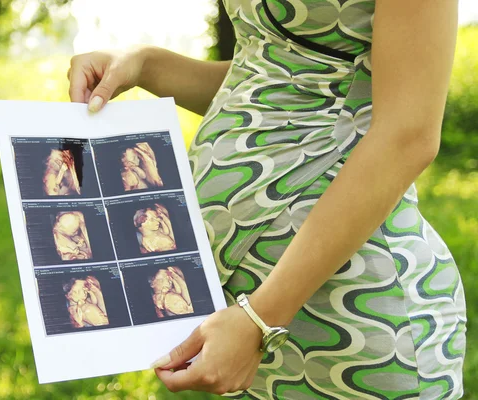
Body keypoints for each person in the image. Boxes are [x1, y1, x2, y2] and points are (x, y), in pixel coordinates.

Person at [67, 0, 466, 398]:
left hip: (353, 311)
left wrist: (263, 319)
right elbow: (275, 77)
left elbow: (408, 136)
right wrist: (145, 64)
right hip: (243, 317)